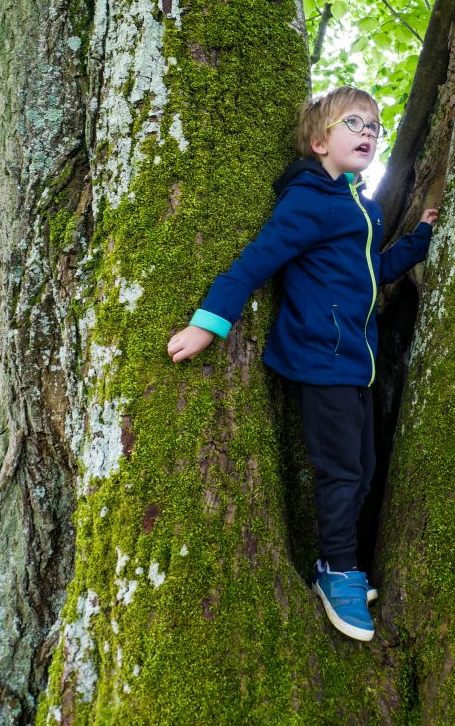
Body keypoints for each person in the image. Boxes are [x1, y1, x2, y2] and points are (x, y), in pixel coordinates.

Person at [167, 86, 438, 642]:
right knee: (340, 472)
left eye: (374, 128)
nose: (368, 133)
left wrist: (422, 238)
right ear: (320, 141)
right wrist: (208, 323)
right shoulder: (308, 199)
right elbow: (256, 261)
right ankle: (337, 572)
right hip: (321, 360)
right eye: (354, 123)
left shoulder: (362, 208)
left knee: (362, 469)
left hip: (356, 362)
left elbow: (373, 271)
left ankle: (343, 563)